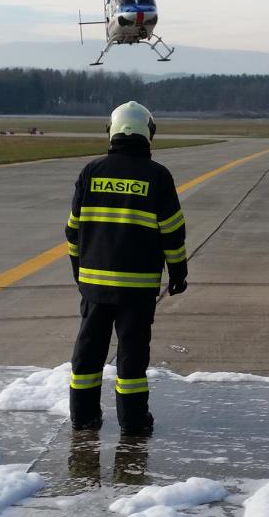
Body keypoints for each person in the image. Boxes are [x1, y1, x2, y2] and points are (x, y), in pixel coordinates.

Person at [63, 101, 188, 434]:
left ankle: (83, 417)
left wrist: (80, 272)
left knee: (87, 355)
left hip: (94, 286)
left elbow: (73, 230)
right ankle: (134, 422)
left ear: (112, 131)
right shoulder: (158, 176)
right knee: (132, 356)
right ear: (148, 133)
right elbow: (173, 231)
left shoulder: (91, 172)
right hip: (138, 289)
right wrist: (178, 273)